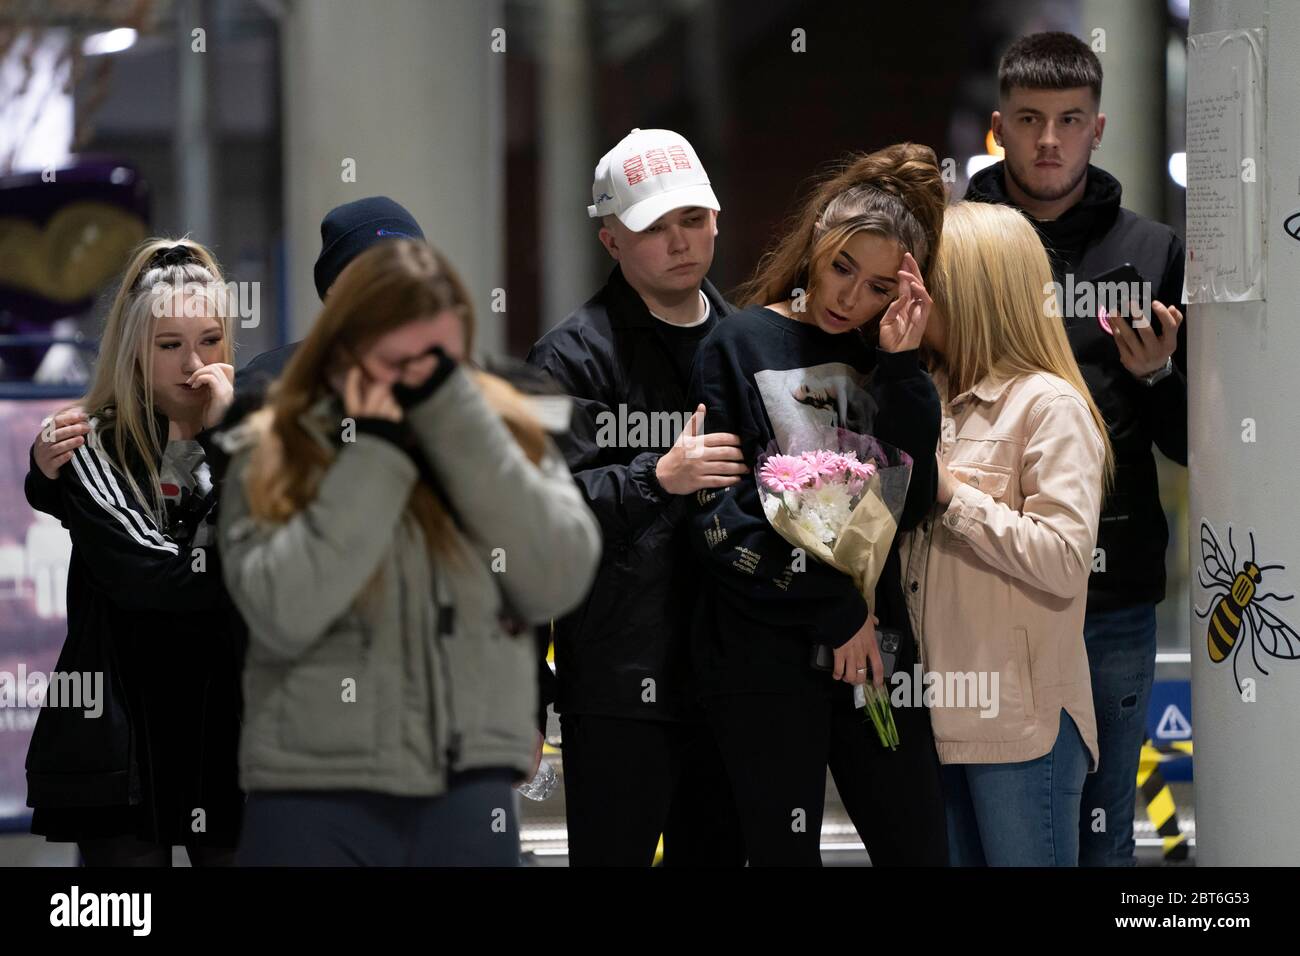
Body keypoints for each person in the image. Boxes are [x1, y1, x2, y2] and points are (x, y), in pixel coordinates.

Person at [219, 238, 601, 866]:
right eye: (397, 362)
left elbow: (557, 576)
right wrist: (375, 455)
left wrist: (461, 426)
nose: (421, 384)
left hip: (467, 787)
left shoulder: (503, 433)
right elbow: (281, 611)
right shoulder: (275, 446)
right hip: (309, 789)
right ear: (343, 350)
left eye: (442, 364)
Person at [687, 143, 946, 866]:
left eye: (876, 287)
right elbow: (721, 521)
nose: (849, 299)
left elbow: (914, 499)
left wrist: (901, 365)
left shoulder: (884, 356)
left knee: (921, 844)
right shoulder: (739, 344)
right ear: (817, 243)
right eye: (841, 269)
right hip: (768, 658)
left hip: (876, 655)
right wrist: (838, 610)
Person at [964, 31, 1187, 866]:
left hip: (1113, 588)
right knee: (996, 836)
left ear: (1098, 128)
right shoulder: (959, 245)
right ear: (1001, 127)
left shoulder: (1152, 253)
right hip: (980, 588)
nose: (1048, 140)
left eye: (1068, 120)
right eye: (1029, 120)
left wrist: (1160, 378)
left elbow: (1192, 447)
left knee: (1104, 831)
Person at [526, 128, 746, 866]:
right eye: (655, 227)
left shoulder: (750, 345)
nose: (680, 242)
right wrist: (656, 476)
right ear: (611, 240)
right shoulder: (569, 357)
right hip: (621, 684)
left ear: (717, 218)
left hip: (732, 676)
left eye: (693, 219)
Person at [901, 200, 1123, 866]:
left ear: (973, 291)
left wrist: (949, 492)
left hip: (1021, 730)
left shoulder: (1049, 406)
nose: (910, 292)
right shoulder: (926, 394)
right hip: (934, 720)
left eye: (928, 277)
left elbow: (1062, 558)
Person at [24, 238, 244, 866]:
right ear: (134, 351)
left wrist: (232, 441)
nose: (193, 364)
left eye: (209, 340)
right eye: (169, 345)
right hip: (124, 749)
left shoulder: (256, 437)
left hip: (228, 740)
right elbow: (163, 578)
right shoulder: (87, 445)